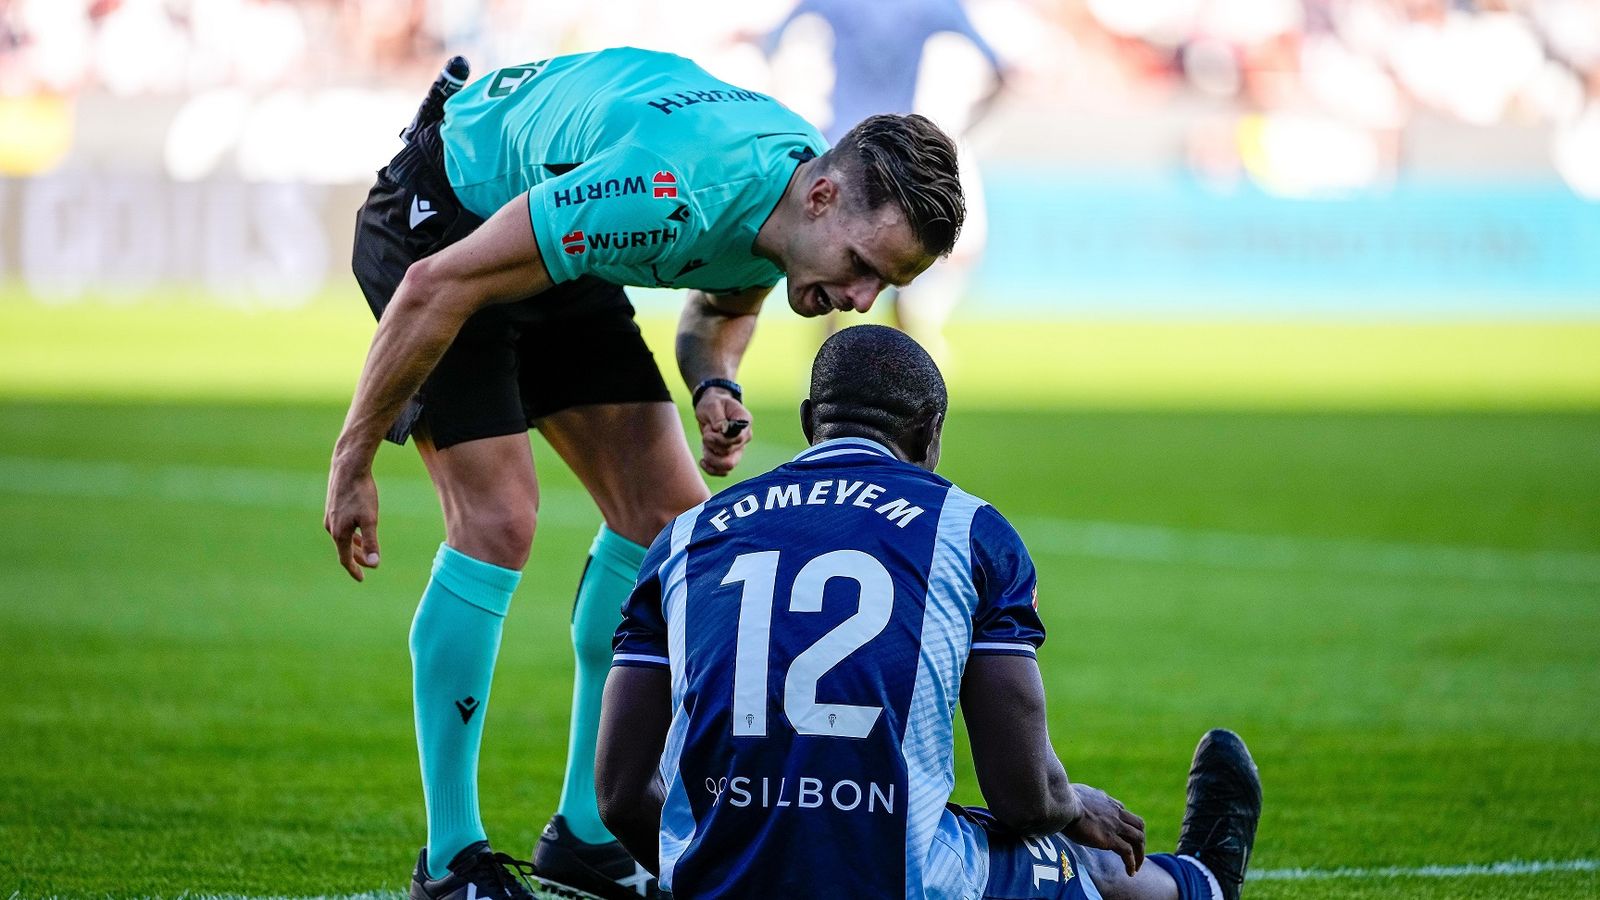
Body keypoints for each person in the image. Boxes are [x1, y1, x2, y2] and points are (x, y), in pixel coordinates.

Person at [322, 49, 965, 900]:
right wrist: (353, 459)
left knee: (671, 522)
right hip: (444, 219)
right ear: (823, 196)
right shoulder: (666, 192)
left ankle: (586, 829)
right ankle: (449, 862)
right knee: (500, 519)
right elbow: (433, 285)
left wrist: (714, 381)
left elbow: (722, 307)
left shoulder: (792, 203)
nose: (860, 298)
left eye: (886, 282)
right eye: (861, 266)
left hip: (558, 239)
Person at [595, 325, 1262, 899]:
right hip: (898, 879)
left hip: (722, 880)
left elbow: (621, 796)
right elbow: (1022, 796)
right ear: (929, 429)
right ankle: (1200, 881)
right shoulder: (967, 530)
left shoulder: (686, 536)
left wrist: (717, 868)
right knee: (1068, 854)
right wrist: (1073, 804)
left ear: (809, 421)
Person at [760, 0, 1007, 362]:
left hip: (843, 140)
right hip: (900, 149)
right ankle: (906, 372)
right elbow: (1001, 70)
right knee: (893, 272)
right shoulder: (934, 5)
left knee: (836, 267)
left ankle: (826, 372)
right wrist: (969, 126)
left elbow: (773, 41)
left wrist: (789, 105)